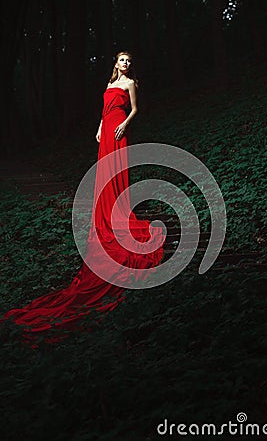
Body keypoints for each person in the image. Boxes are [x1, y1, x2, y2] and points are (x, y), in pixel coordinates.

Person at [0, 51, 165, 348]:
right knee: (104, 175)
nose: (125, 63)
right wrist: (100, 127)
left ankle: (119, 214)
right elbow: (104, 110)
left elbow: (136, 110)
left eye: (128, 60)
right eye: (121, 60)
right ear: (115, 63)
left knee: (116, 174)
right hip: (107, 129)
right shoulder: (109, 82)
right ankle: (105, 210)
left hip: (120, 129)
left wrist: (123, 125)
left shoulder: (130, 84)